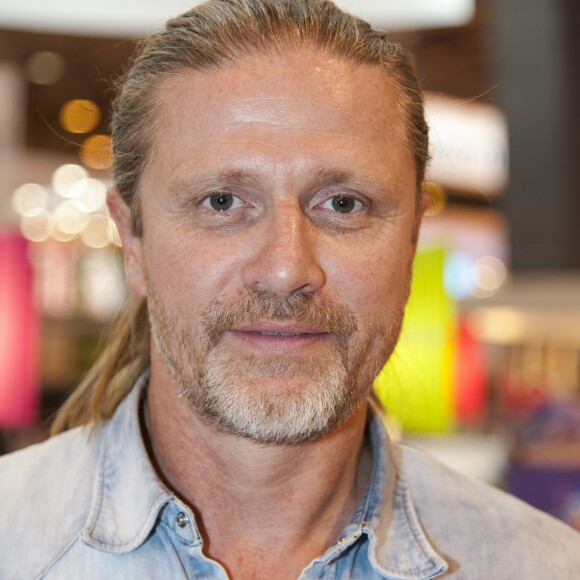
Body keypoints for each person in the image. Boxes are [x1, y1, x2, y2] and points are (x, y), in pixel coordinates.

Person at [1, 1, 579, 578]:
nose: (285, 270)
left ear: (411, 241)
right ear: (132, 241)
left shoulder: (540, 564)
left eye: (344, 204)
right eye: (222, 201)